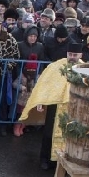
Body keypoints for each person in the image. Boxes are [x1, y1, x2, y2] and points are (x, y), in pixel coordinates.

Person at [20, 42, 82, 170]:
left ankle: (63, 163)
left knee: (69, 136)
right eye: (70, 54)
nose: (72, 57)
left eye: (75, 55)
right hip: (55, 105)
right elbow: (45, 84)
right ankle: (45, 159)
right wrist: (41, 101)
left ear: (80, 55)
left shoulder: (85, 69)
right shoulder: (56, 66)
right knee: (49, 133)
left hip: (73, 108)